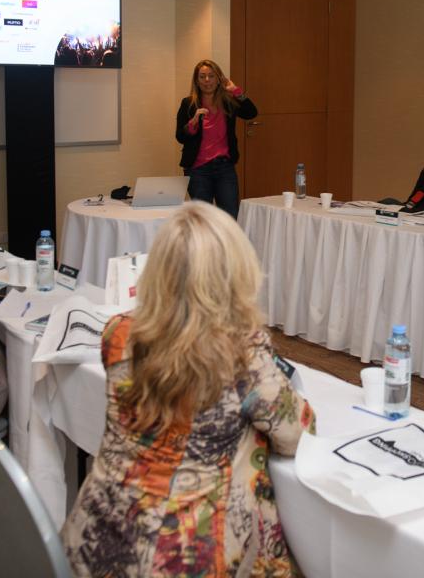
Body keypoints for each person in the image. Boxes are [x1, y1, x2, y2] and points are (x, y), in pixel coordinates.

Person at [61, 202, 314, 577]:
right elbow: (296, 433)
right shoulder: (242, 354)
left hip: (99, 542)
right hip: (188, 557)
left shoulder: (119, 333)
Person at [175, 59, 257, 218]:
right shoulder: (188, 104)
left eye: (211, 76)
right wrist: (192, 123)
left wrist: (236, 91)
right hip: (198, 170)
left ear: (219, 79)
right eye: (202, 76)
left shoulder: (228, 102)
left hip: (224, 167)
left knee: (229, 217)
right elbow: (180, 136)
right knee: (203, 219)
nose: (207, 80)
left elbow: (251, 113)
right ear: (196, 81)